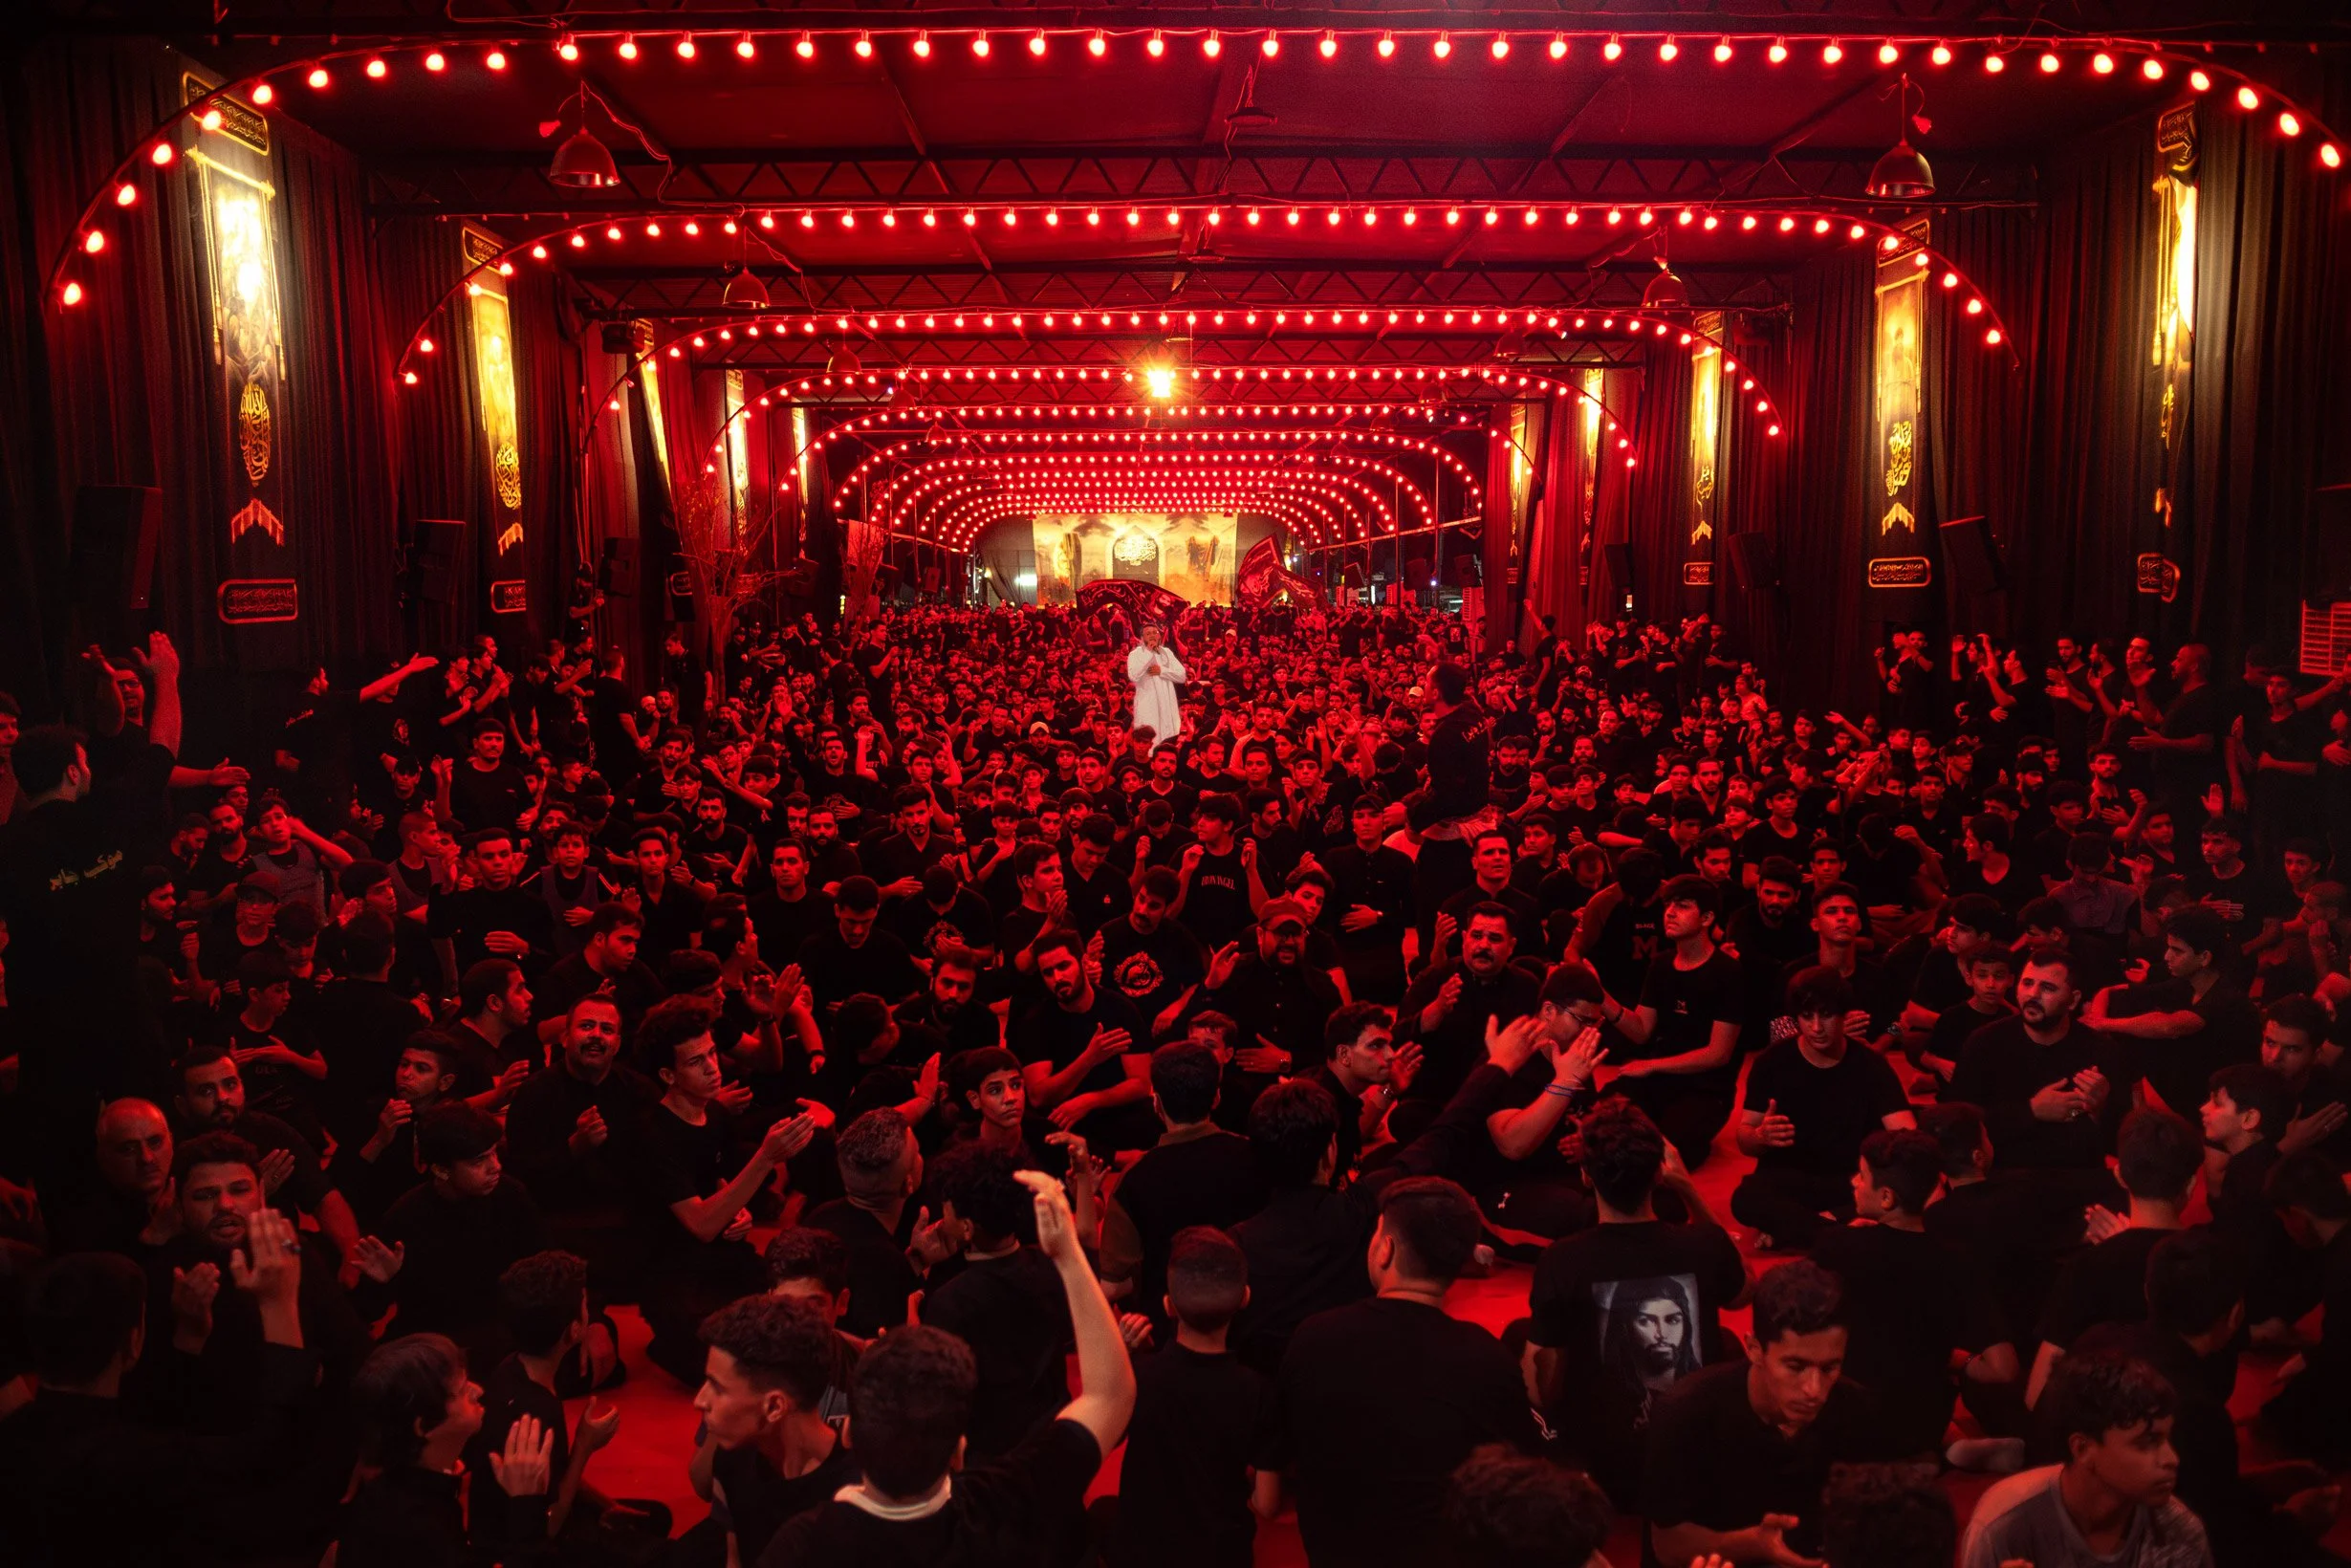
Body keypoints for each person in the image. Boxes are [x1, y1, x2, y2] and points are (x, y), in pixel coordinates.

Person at [763, 1170, 1136, 1565]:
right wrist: (1068, 1255)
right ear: (958, 1451)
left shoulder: (803, 1544)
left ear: (850, 1433)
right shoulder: (1002, 1504)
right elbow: (1109, 1396)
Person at [1260, 1176, 1536, 1568]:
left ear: (1385, 1249)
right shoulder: (1487, 1358)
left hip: (1335, 1552)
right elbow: (1519, 1481)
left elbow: (1282, 1448)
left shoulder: (1315, 1336)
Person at [1527, 1098, 1747, 1507]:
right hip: (1693, 1467)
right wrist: (1689, 1190)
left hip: (1609, 1476)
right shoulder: (1704, 1243)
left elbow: (1541, 1392)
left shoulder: (1563, 1259)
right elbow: (1743, 1291)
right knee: (1730, 1343)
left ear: (1586, 1177)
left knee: (1525, 1341)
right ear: (1661, 1172)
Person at [1642, 1259, 1885, 1568]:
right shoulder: (1686, 1414)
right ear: (1754, 1349)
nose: (1814, 1389)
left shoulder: (1856, 1410)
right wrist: (1754, 1544)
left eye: (1829, 1368)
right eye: (1795, 1367)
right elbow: (1667, 1546)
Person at [633, 993, 825, 1383]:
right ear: (668, 1076)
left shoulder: (715, 1115)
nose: (712, 1068)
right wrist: (766, 1158)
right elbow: (700, 1223)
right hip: (673, 1270)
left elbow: (718, 1184)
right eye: (695, 1061)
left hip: (721, 1256)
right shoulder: (652, 1133)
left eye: (712, 1054)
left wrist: (738, 1215)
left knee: (798, 1309)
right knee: (727, 1363)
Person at [1810, 1128, 2018, 1457]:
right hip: (1922, 1422)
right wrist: (1955, 1359)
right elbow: (2003, 1368)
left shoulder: (1836, 1247)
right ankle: (1951, 1445)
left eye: (1862, 1177)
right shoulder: (1955, 1261)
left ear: (1887, 1198)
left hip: (1846, 1419)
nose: (1853, 1182)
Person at [1105, 1228, 1270, 1568]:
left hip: (1142, 1551)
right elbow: (1267, 1502)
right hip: (1221, 1554)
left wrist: (1123, 1359)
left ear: (1168, 1305)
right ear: (1245, 1297)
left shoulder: (1143, 1377)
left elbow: (1107, 1434)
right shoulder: (1255, 1389)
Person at [1959, 1353, 2212, 1568]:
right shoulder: (2005, 1528)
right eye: (2147, 1442)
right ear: (2082, 1449)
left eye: (2168, 1439)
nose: (2171, 1459)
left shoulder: (2179, 1531)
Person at [2030, 1107, 2205, 1407]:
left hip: (2110, 1423)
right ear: (2191, 1184)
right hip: (2194, 1414)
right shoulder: (2211, 1255)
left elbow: (2038, 1396)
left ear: (2120, 1176)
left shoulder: (2087, 1268)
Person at [1731, 966, 1916, 1251]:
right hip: (1790, 1176)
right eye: (1807, 1017)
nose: (1816, 1027)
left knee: (1900, 1186)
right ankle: (1836, 1231)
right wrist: (1760, 1137)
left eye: (1827, 1015)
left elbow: (1907, 1136)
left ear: (1844, 1016)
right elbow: (1745, 1137)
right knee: (1745, 1199)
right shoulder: (1771, 1063)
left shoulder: (1870, 1064)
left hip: (1852, 1179)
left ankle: (1804, 1228)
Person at [338, 1331, 555, 1568]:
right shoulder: (416, 1529)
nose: (477, 1391)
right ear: (423, 1426)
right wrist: (526, 1503)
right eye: (461, 1390)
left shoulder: (408, 1487)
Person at [1098, 1041, 1266, 1335]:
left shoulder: (1136, 1177)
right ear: (1216, 1097)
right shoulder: (1257, 1156)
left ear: (1156, 1103)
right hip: (1250, 1321)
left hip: (1169, 1331)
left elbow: (1113, 1281)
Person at [694, 1293, 861, 1567]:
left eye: (717, 1387)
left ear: (774, 1407)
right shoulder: (731, 1459)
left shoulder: (857, 1492)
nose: (699, 1401)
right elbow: (735, 1560)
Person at [1591, 874, 1748, 1167]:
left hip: (1706, 1088)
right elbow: (1641, 1032)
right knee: (1598, 1120)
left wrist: (1651, 1065)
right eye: (1669, 905)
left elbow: (1718, 1054)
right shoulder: (1662, 964)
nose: (1670, 912)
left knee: (1667, 1153)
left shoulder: (1728, 972)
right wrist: (1601, 997)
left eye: (1683, 906)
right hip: (1661, 1079)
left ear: (1707, 917)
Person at [1128, 623, 1186, 745]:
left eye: (1155, 632)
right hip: (1147, 705)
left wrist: (1162, 671)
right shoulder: (1135, 654)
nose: (1152, 636)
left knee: (1167, 742)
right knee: (1148, 742)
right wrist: (1149, 654)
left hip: (1167, 704)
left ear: (1159, 636)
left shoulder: (1167, 652)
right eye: (1148, 633)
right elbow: (1134, 676)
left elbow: (1181, 675)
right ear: (1142, 637)